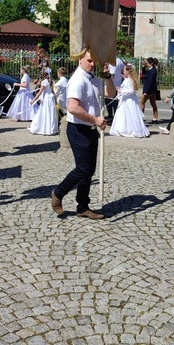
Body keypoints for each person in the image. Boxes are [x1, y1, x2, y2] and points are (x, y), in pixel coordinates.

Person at [51, 50, 112, 220]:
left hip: (90, 129)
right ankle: (58, 193)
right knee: (83, 168)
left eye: (94, 61)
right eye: (89, 60)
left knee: (89, 170)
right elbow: (72, 107)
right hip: (78, 129)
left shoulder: (92, 77)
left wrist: (108, 77)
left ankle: (82, 207)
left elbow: (111, 93)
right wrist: (95, 119)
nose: (92, 64)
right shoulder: (78, 80)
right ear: (80, 61)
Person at [110, 64, 149, 138]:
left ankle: (129, 129)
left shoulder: (128, 80)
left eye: (124, 70)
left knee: (129, 114)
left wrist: (120, 91)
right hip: (126, 99)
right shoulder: (128, 79)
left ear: (127, 71)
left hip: (128, 100)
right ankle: (124, 128)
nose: (123, 71)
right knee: (125, 114)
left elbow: (131, 91)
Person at [29, 71, 58, 135]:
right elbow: (53, 92)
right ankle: (50, 129)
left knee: (43, 113)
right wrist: (55, 100)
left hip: (46, 99)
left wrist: (33, 100)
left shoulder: (44, 82)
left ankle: (41, 128)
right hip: (51, 98)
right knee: (50, 113)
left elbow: (40, 92)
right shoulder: (51, 82)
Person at [139, 57, 159, 124]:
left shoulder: (152, 71)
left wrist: (146, 92)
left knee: (142, 102)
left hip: (149, 90)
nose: (146, 64)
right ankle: (155, 118)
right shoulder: (151, 70)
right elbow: (144, 73)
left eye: (147, 63)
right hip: (152, 90)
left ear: (151, 63)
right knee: (153, 104)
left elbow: (150, 82)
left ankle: (140, 117)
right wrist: (143, 67)